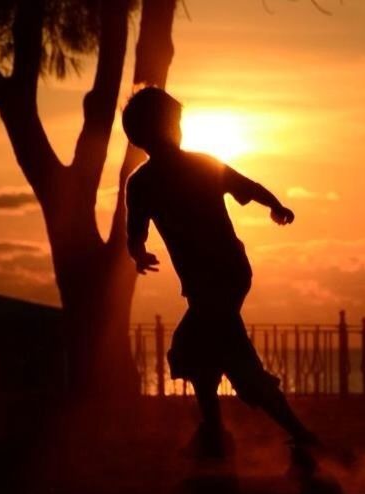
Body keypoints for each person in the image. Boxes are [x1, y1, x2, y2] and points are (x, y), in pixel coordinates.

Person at [122, 86, 319, 472]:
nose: (176, 131)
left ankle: (295, 436)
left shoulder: (175, 173)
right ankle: (216, 435)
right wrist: (138, 252)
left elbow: (247, 187)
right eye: (173, 123)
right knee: (203, 354)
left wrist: (276, 206)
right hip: (213, 280)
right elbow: (135, 232)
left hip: (223, 276)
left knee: (220, 357)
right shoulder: (147, 182)